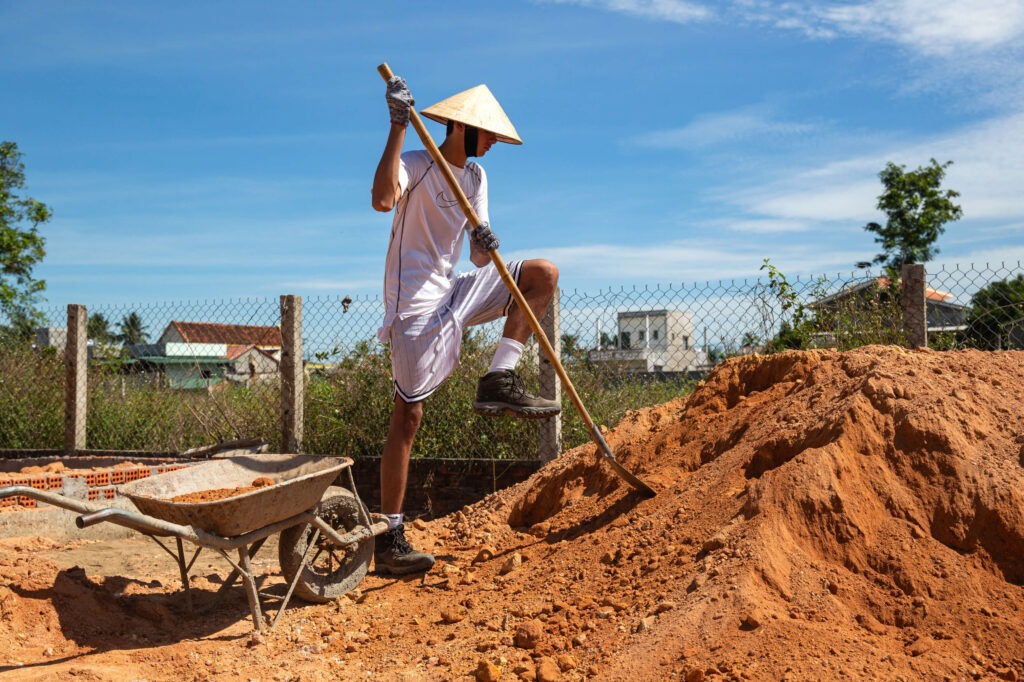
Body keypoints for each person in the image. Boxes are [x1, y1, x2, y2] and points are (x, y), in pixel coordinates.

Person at [369, 75, 560, 574]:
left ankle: (500, 376)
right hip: (413, 306)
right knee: (407, 418)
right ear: (460, 126)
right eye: (488, 133)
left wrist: (486, 238)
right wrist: (396, 128)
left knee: (541, 276)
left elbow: (477, 258)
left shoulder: (474, 178)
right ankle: (389, 535)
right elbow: (383, 200)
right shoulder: (418, 163)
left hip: (455, 291)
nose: (494, 142)